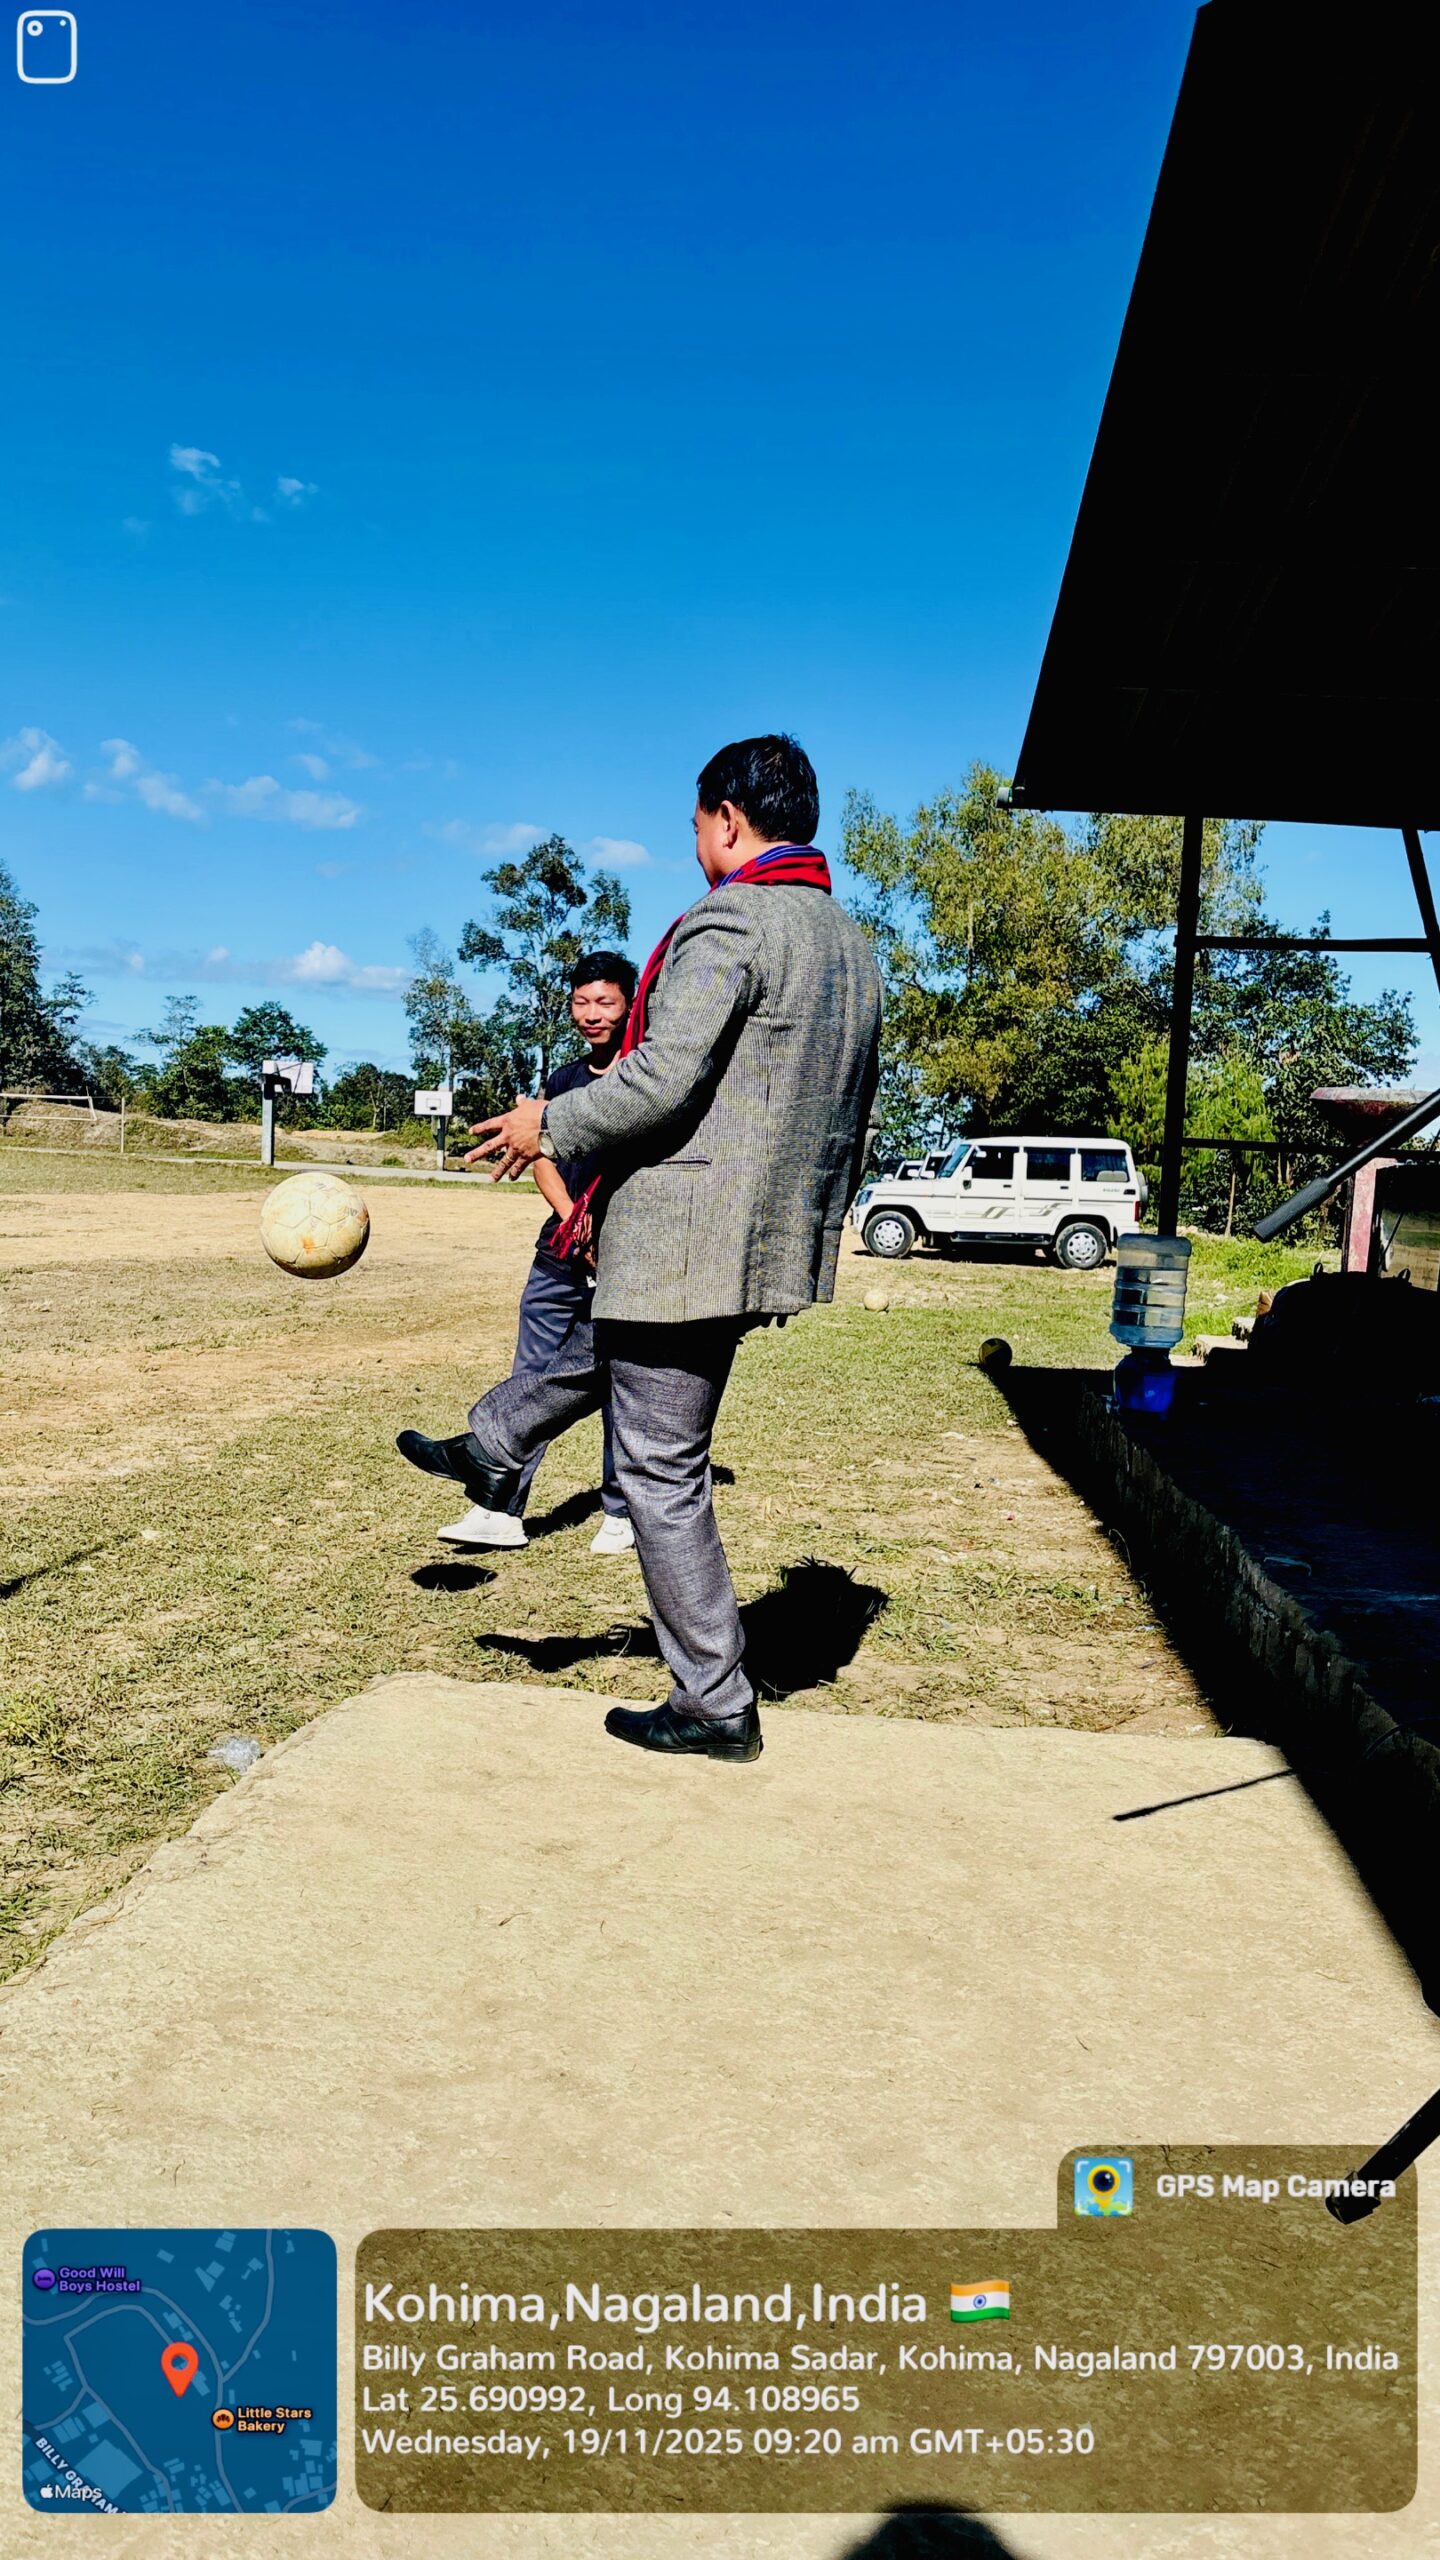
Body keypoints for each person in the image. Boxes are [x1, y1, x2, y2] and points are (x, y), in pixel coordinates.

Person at [396, 733, 882, 1764]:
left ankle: (712, 1699)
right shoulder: (848, 940)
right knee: (619, 1353)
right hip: (762, 1232)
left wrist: (549, 1123)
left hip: (692, 1230)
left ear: (727, 820)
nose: (696, 842)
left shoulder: (731, 918)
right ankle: (495, 1441)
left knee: (660, 1467)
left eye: (697, 824)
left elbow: (663, 1075)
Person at [430, 952, 638, 1556]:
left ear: (630, 1005)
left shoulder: (643, 1081)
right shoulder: (564, 1081)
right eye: (581, 1002)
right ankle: (499, 1508)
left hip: (625, 1258)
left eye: (605, 1002)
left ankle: (621, 1512)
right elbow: (540, 1155)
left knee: (618, 1382)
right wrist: (574, 1219)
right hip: (560, 1252)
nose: (592, 1014)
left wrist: (603, 1233)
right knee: (531, 1377)